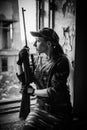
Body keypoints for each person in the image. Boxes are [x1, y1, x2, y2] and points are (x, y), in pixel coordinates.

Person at [17, 28, 73, 130]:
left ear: (48, 44)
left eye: (38, 41)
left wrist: (32, 91)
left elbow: (54, 91)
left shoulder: (61, 61)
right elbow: (25, 80)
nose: (34, 44)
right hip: (40, 108)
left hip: (59, 112)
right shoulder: (40, 59)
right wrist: (20, 62)